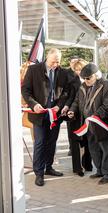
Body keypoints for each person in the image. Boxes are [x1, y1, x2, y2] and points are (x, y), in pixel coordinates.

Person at [22, 48, 69, 186]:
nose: (55, 65)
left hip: (55, 114)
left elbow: (65, 92)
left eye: (58, 62)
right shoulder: (34, 70)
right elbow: (25, 90)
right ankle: (39, 173)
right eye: (53, 62)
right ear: (47, 57)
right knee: (40, 142)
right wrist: (34, 104)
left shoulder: (63, 72)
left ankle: (49, 167)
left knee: (51, 142)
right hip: (39, 115)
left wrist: (59, 106)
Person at [68, 63, 108, 185]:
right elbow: (77, 101)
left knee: (107, 148)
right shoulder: (82, 86)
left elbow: (107, 105)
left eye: (88, 78)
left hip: (101, 123)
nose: (86, 80)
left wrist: (95, 116)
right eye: (84, 78)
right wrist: (72, 110)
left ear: (96, 75)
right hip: (88, 124)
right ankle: (99, 170)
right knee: (93, 148)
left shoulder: (107, 85)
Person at [63, 58, 92, 176]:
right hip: (73, 114)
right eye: (76, 69)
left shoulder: (91, 80)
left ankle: (88, 164)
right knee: (74, 141)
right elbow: (69, 96)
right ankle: (77, 168)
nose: (79, 71)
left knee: (87, 140)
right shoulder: (71, 80)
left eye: (81, 69)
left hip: (87, 114)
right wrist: (68, 108)